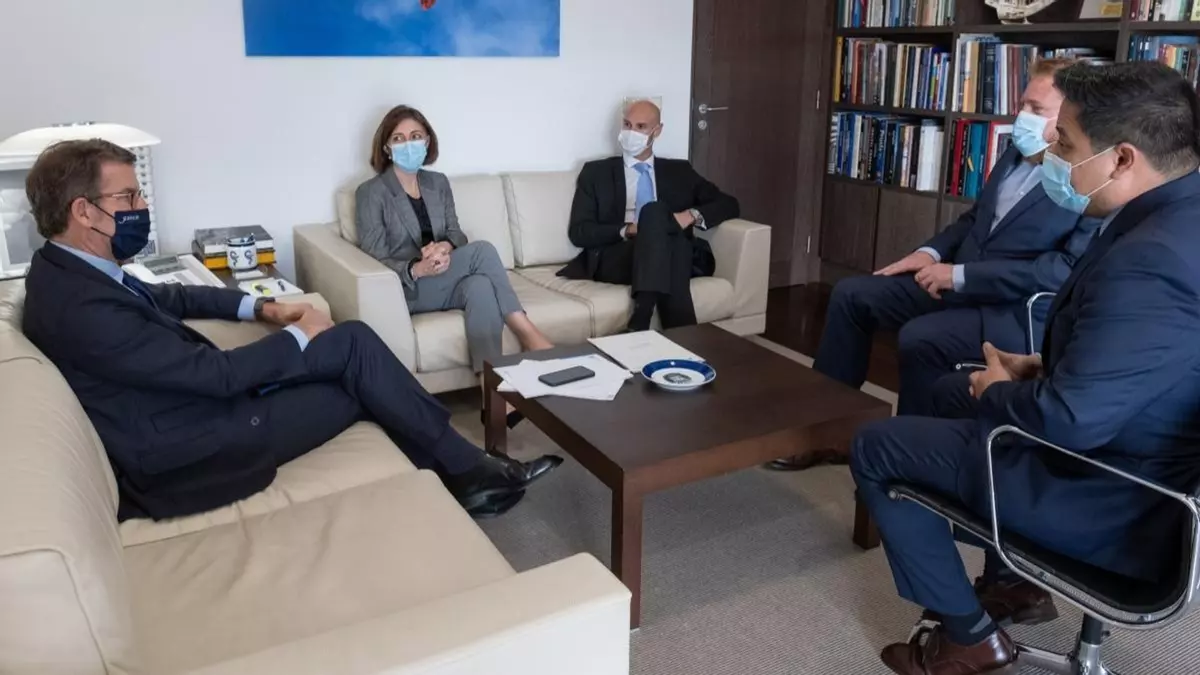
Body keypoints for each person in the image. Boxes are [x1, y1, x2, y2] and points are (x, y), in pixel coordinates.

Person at [850, 60, 1200, 675]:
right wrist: (1040, 367)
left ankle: (969, 641)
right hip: (1125, 440)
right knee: (945, 388)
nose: (1052, 156)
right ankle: (1010, 582)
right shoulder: (1175, 213)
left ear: (1122, 159)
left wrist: (998, 390)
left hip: (1115, 496)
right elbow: (1149, 363)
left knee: (877, 445)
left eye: (1065, 144)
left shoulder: (1152, 260)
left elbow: (1071, 422)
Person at [21, 139, 560, 522]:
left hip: (195, 410)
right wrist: (300, 336)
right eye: (129, 198)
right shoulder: (79, 306)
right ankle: (469, 473)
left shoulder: (74, 272)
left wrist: (265, 309)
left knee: (353, 343)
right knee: (362, 378)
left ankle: (464, 472)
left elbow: (175, 296)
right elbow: (214, 375)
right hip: (193, 448)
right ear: (83, 212)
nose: (142, 207)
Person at [767, 58, 1098, 472]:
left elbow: (1061, 269)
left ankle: (907, 460)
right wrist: (930, 253)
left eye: (1036, 109)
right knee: (853, 295)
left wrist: (960, 275)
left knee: (920, 337)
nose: (1022, 117)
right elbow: (973, 220)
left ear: (1069, 118)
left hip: (1009, 310)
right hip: (954, 282)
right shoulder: (1017, 150)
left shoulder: (1087, 178)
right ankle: (826, 432)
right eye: (1022, 105)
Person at [355, 105, 554, 426]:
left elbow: (455, 233)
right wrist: (418, 267)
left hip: (442, 277)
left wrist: (444, 248)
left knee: (480, 286)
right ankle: (529, 335)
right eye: (399, 138)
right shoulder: (371, 193)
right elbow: (374, 255)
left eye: (416, 136)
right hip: (405, 287)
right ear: (387, 147)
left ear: (427, 141)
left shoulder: (437, 183)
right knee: (483, 251)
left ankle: (492, 396)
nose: (409, 144)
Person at [558, 99, 740, 331]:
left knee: (659, 219)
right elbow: (579, 232)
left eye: (641, 127)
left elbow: (729, 204)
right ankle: (686, 336)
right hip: (620, 255)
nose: (631, 132)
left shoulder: (679, 172)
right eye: (627, 124)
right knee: (661, 224)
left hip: (667, 252)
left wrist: (689, 215)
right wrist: (629, 229)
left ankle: (641, 317)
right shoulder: (596, 172)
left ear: (657, 131)